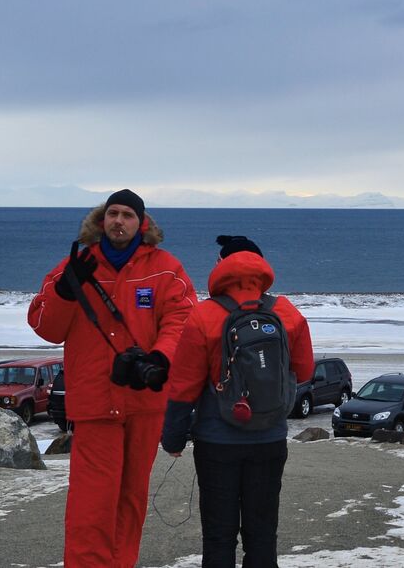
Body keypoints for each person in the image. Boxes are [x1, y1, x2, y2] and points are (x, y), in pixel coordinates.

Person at [28, 188, 196, 567]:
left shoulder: (166, 268)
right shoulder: (73, 267)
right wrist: (64, 292)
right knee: (91, 503)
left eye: (128, 215)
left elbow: (182, 320)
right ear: (101, 220)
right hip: (95, 403)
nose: (119, 221)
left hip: (144, 401)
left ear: (142, 223)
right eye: (113, 213)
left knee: (131, 498)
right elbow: (45, 326)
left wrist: (159, 358)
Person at [161, 235, 314, 567]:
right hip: (270, 439)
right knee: (262, 535)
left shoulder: (203, 315)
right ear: (262, 267)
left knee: (219, 536)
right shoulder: (286, 312)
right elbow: (303, 371)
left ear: (220, 267)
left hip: (217, 442)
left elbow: (184, 384)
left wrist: (173, 437)